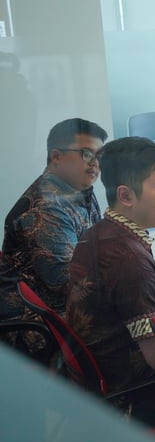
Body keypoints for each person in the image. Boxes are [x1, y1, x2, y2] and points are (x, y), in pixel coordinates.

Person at [65, 137, 155, 425]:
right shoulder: (130, 261)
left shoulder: (99, 233)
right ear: (126, 196)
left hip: (102, 376)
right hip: (133, 394)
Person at [0, 118, 108, 360]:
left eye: (99, 155)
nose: (95, 164)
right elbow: (71, 284)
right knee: (142, 338)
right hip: (37, 328)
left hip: (62, 313)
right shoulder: (46, 209)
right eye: (86, 154)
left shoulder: (79, 192)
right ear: (56, 156)